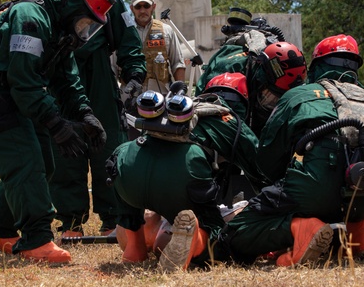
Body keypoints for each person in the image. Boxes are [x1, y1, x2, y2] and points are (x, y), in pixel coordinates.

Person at [0, 0, 115, 264]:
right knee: (27, 164)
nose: (86, 30)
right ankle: (36, 240)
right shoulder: (30, 18)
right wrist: (56, 124)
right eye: (86, 20)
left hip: (21, 98)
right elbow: (23, 81)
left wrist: (85, 114)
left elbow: (67, 80)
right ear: (74, 4)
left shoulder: (61, 29)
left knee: (44, 165)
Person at [221, 34, 364, 266]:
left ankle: (304, 228)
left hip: (314, 194)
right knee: (350, 209)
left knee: (236, 232)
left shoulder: (297, 96)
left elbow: (267, 162)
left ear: (315, 67)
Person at [45, 0, 146, 238]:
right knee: (65, 147)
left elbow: (129, 40)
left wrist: (134, 75)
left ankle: (112, 219)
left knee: (108, 147)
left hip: (100, 78)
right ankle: (71, 220)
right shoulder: (50, 1)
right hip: (62, 78)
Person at [109, 86, 258, 271]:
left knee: (150, 221)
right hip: (184, 178)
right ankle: (197, 242)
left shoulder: (163, 110)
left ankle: (134, 247)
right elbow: (259, 165)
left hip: (130, 173)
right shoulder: (227, 119)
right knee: (220, 236)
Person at [130, 0, 186, 96]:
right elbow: (113, 67)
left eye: (146, 6)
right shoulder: (123, 33)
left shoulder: (167, 31)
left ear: (153, 7)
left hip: (161, 96)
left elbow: (178, 63)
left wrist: (180, 92)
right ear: (132, 8)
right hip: (130, 96)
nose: (142, 10)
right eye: (138, 6)